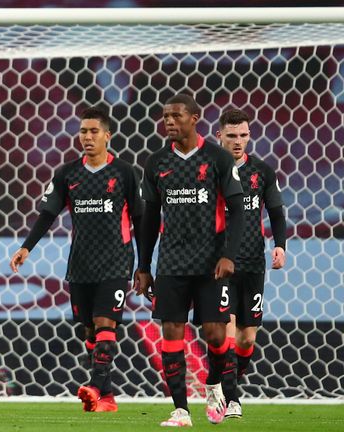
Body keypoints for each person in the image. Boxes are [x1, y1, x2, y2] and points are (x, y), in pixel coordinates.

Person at [9, 107, 143, 413]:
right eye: (83, 131)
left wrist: (143, 265)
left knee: (105, 323)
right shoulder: (68, 174)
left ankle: (95, 387)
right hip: (81, 263)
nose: (87, 137)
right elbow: (49, 213)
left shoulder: (124, 172)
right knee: (89, 331)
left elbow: (140, 218)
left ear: (107, 136)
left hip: (116, 261)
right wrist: (27, 247)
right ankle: (106, 397)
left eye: (94, 131)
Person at [133, 93, 245, 426]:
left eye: (177, 116)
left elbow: (238, 211)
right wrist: (143, 266)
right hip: (171, 263)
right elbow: (150, 218)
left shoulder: (218, 159)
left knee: (214, 333)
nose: (169, 121)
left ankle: (214, 387)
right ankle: (181, 409)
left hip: (211, 263)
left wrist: (229, 255)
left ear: (195, 118)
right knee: (171, 332)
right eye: (166, 116)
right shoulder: (157, 163)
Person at [216, 108, 287, 419]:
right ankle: (232, 398)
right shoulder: (209, 172)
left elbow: (276, 210)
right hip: (220, 265)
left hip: (253, 263)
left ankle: (227, 381)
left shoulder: (262, 172)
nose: (238, 141)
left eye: (243, 135)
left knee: (247, 338)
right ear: (219, 136)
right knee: (228, 331)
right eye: (231, 135)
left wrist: (280, 246)